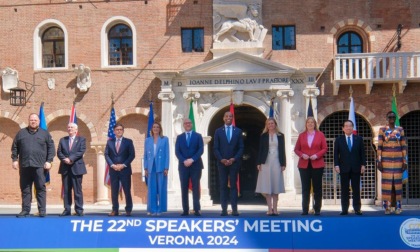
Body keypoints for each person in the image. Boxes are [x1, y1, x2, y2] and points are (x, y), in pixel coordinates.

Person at [11, 113, 55, 218]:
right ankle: (25, 210)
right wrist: (14, 159)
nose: (33, 121)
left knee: (40, 188)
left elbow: (51, 148)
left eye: (35, 120)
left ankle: (42, 210)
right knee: (25, 188)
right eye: (31, 120)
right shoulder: (21, 133)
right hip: (25, 166)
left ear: (39, 122)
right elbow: (15, 147)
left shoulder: (45, 134)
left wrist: (49, 161)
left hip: (40, 167)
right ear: (28, 121)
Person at [294, 117, 327, 216]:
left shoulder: (320, 135)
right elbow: (296, 149)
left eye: (312, 122)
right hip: (304, 165)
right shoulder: (301, 135)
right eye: (308, 122)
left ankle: (317, 209)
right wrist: (302, 155)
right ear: (306, 124)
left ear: (315, 124)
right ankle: (305, 209)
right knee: (305, 188)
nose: (310, 124)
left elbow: (325, 148)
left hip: (317, 164)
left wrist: (316, 155)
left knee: (317, 188)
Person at [213, 111, 244, 216]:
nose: (228, 118)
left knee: (234, 186)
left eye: (230, 116)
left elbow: (241, 148)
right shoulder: (218, 131)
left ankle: (234, 209)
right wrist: (221, 159)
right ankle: (224, 210)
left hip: (234, 163)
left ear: (233, 118)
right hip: (221, 163)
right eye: (226, 116)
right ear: (223, 118)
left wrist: (234, 159)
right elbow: (215, 148)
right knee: (223, 186)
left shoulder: (238, 131)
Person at [377, 111, 407, 214]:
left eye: (393, 117)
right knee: (387, 185)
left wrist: (404, 161)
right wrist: (379, 161)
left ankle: (398, 207)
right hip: (386, 161)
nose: (392, 119)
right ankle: (387, 208)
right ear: (387, 118)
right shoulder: (382, 130)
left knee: (397, 185)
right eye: (390, 117)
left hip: (398, 161)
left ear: (395, 118)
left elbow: (403, 146)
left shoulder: (400, 129)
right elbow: (379, 146)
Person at [334, 120, 366, 215]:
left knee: (356, 189)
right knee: (344, 189)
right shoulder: (339, 140)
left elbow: (362, 153)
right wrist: (336, 165)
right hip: (343, 168)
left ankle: (357, 208)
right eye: (346, 126)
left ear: (353, 128)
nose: (348, 128)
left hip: (356, 168)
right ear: (343, 128)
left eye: (350, 126)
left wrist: (363, 165)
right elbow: (336, 154)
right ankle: (344, 209)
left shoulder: (359, 139)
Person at [255, 118, 286, 216]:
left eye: (272, 123)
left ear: (275, 124)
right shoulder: (263, 136)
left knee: (276, 185)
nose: (270, 125)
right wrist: (258, 163)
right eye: (269, 124)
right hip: (266, 162)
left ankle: (275, 209)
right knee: (267, 185)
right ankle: (269, 209)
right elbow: (260, 150)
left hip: (277, 161)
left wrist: (283, 163)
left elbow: (283, 150)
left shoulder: (281, 136)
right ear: (266, 125)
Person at [105, 123, 135, 216]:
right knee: (114, 191)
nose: (119, 131)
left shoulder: (128, 141)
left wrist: (123, 165)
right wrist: (112, 165)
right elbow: (106, 154)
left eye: (121, 129)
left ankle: (128, 209)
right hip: (113, 170)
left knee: (127, 190)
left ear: (123, 131)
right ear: (114, 131)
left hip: (125, 170)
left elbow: (132, 155)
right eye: (117, 129)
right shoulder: (109, 142)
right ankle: (115, 210)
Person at [175, 118, 204, 216]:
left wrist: (192, 159)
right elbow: (177, 151)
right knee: (184, 188)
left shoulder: (198, 136)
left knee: (196, 187)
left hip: (196, 165)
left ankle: (197, 209)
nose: (187, 124)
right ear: (183, 125)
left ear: (192, 124)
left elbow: (200, 150)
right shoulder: (179, 137)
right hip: (183, 166)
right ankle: (185, 210)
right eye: (186, 123)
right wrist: (184, 160)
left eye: (189, 123)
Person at [57, 123, 87, 216]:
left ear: (76, 130)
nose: (69, 128)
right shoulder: (63, 140)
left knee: (77, 190)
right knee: (66, 190)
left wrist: (71, 159)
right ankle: (67, 209)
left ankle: (79, 209)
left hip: (77, 168)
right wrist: (65, 159)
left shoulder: (81, 139)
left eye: (71, 127)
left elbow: (81, 151)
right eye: (68, 127)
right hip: (65, 168)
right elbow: (59, 152)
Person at [144, 122, 170, 216]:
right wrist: (145, 168)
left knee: (161, 188)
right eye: (154, 127)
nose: (155, 128)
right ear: (152, 129)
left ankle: (160, 209)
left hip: (161, 166)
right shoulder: (147, 140)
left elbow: (167, 154)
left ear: (160, 129)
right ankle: (152, 209)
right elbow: (145, 155)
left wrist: (166, 167)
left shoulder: (164, 139)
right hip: (151, 167)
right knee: (151, 189)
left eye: (157, 127)